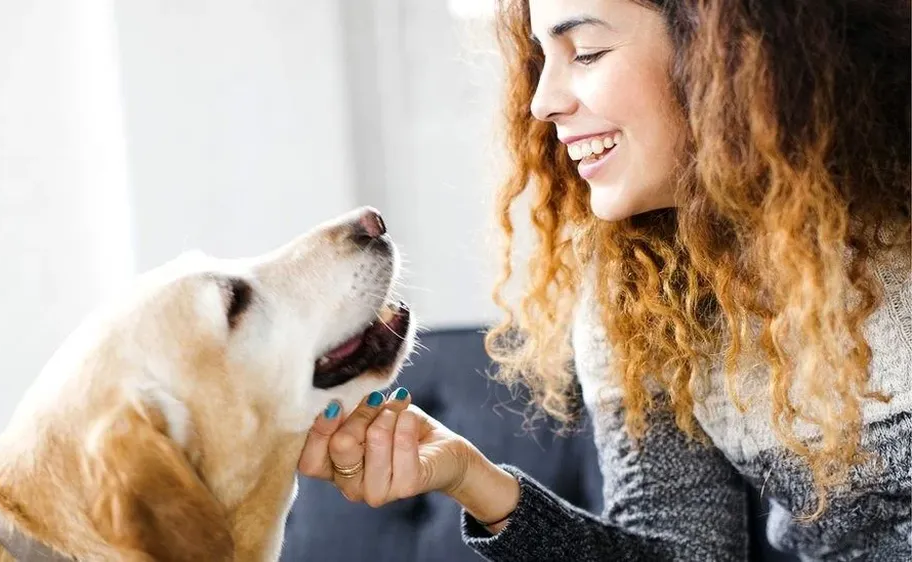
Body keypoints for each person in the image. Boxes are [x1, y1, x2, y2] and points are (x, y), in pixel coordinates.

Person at [298, 0, 911, 559]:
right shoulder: (641, 288)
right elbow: (681, 552)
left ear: (726, 49)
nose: (542, 102)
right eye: (543, 59)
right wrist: (474, 481)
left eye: (586, 52)